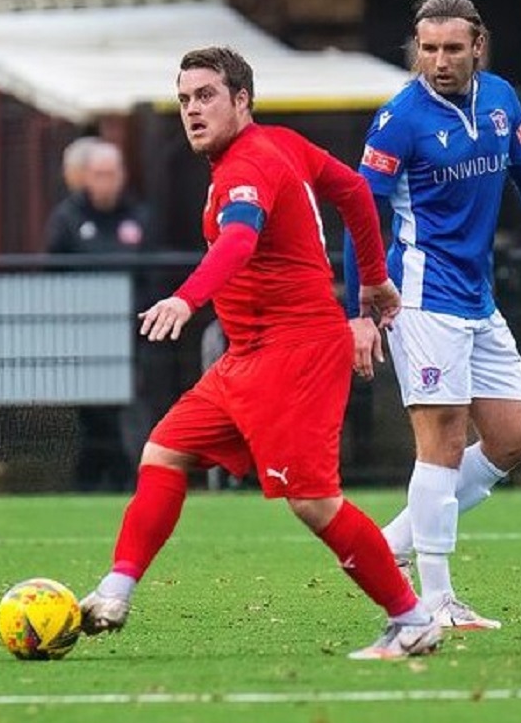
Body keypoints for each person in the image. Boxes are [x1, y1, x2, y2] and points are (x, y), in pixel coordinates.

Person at [79, 46, 442, 660]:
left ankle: (411, 618)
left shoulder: (246, 166)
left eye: (207, 97)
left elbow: (240, 240)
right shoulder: (281, 145)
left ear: (241, 100)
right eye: (185, 99)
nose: (193, 110)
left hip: (294, 352)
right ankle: (115, 591)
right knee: (164, 452)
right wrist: (372, 283)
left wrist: (187, 299)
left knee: (314, 500)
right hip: (248, 354)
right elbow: (355, 191)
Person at [345, 0, 521, 629]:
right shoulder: (399, 119)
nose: (439, 60)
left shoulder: (501, 98)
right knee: (442, 443)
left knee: (510, 442)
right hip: (418, 296)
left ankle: (388, 542)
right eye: (427, 49)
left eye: (452, 48)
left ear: (478, 45)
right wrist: (360, 311)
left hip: (478, 297)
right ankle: (435, 599)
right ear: (415, 50)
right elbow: (360, 214)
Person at [45, 140, 151, 492]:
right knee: (94, 414)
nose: (106, 182)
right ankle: (99, 478)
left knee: (128, 408)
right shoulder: (66, 218)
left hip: (130, 334)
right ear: (85, 178)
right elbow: (53, 275)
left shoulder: (139, 217)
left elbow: (153, 276)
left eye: (112, 174)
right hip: (85, 334)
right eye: (99, 174)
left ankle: (121, 476)